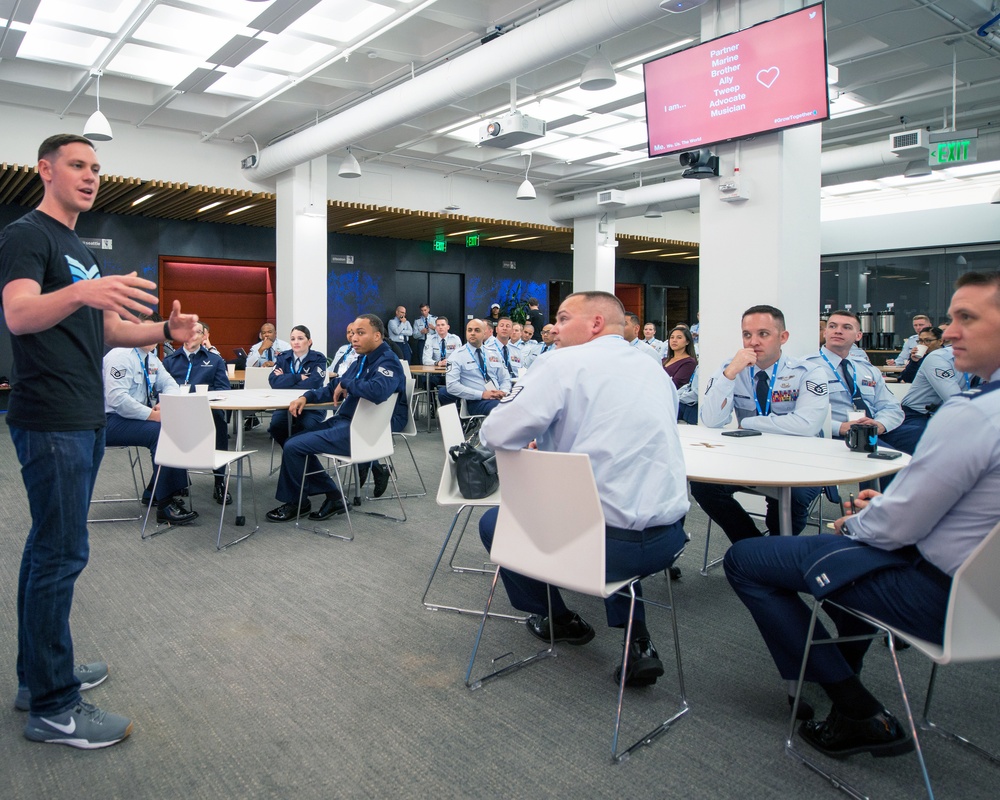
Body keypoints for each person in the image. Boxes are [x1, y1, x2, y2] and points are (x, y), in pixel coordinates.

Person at [723, 271, 1000, 758]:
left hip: (940, 594)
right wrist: (893, 507)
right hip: (985, 596)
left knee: (747, 560)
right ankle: (840, 671)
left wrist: (853, 522)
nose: (948, 331)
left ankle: (854, 707)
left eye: (967, 318)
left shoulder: (973, 414)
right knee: (843, 557)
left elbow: (895, 528)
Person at [0, 133, 198, 749]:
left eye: (96, 168)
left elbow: (108, 332)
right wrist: (83, 291)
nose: (90, 176)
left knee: (49, 552)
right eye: (78, 165)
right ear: (46, 170)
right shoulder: (28, 235)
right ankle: (55, 709)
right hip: (51, 417)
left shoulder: (77, 247)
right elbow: (20, 314)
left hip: (80, 415)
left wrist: (164, 329)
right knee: (61, 555)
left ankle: (40, 678)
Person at [477, 291, 689, 686]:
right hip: (669, 541)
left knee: (496, 522)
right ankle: (636, 639)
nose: (553, 328)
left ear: (594, 323)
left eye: (562, 318)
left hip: (603, 548)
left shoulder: (560, 362)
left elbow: (496, 432)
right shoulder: (653, 369)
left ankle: (559, 620)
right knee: (613, 506)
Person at [690, 305, 829, 542]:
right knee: (703, 486)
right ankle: (751, 544)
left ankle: (774, 553)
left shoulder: (808, 372)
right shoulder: (732, 368)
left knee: (789, 501)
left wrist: (751, 422)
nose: (753, 342)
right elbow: (711, 421)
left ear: (782, 337)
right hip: (750, 459)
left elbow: (806, 425)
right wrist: (730, 374)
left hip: (799, 462)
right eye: (747, 335)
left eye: (763, 334)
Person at [266, 314, 408, 523]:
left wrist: (347, 385)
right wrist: (306, 396)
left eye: (361, 333)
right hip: (349, 421)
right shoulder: (363, 360)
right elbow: (335, 386)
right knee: (293, 442)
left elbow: (378, 391)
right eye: (353, 333)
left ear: (377, 336)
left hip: (367, 428)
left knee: (294, 446)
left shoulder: (388, 361)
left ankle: (307, 500)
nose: (354, 338)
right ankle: (330, 497)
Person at [103, 342, 198, 525]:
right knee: (162, 432)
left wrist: (165, 402)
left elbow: (170, 384)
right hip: (108, 420)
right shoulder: (120, 356)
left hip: (133, 419)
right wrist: (152, 415)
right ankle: (165, 505)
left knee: (174, 426)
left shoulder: (151, 358)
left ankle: (154, 491)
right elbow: (117, 400)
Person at [163, 320, 233, 504]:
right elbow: (160, 390)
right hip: (179, 411)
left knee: (219, 420)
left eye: (197, 332)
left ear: (204, 337)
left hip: (207, 411)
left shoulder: (215, 360)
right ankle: (177, 481)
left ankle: (219, 481)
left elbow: (224, 390)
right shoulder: (170, 361)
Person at [806, 311, 903, 441]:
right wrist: (839, 427)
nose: (838, 331)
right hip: (838, 434)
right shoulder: (807, 368)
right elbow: (798, 413)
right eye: (832, 326)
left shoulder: (867, 368)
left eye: (846, 327)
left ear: (858, 336)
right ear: (825, 333)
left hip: (875, 429)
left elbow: (891, 406)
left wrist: (880, 424)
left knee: (923, 440)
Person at [882, 331, 965, 454]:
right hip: (918, 414)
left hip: (944, 414)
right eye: (920, 341)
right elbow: (954, 398)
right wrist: (913, 361)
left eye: (927, 341)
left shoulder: (977, 360)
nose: (923, 344)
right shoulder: (938, 358)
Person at [268, 325, 327, 449]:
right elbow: (274, 382)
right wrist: (298, 377)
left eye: (300, 338)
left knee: (304, 429)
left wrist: (285, 379)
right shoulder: (283, 357)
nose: (296, 342)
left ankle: (296, 455)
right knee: (275, 427)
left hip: (311, 405)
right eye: (293, 339)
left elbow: (314, 383)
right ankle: (293, 453)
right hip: (286, 404)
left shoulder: (318, 358)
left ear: (309, 342)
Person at [440, 318, 510, 415]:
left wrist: (503, 392)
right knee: (502, 410)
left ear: (484, 333)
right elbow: (452, 386)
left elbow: (505, 378)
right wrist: (482, 394)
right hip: (476, 400)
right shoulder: (457, 356)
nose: (472, 333)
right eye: (470, 330)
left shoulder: (493, 353)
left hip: (498, 398)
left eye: (477, 330)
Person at [422, 316, 461, 389]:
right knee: (426, 381)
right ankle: (431, 401)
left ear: (448, 327)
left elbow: (459, 358)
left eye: (443, 325)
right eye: (438, 325)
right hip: (436, 373)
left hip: (451, 372)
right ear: (435, 328)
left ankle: (452, 400)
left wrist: (449, 362)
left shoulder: (455, 339)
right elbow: (425, 360)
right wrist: (437, 363)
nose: (440, 327)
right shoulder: (430, 339)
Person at [661, 325, 697, 390]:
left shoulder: (689, 362)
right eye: (672, 337)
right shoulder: (664, 360)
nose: (674, 340)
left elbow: (675, 384)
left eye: (679, 338)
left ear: (687, 341)